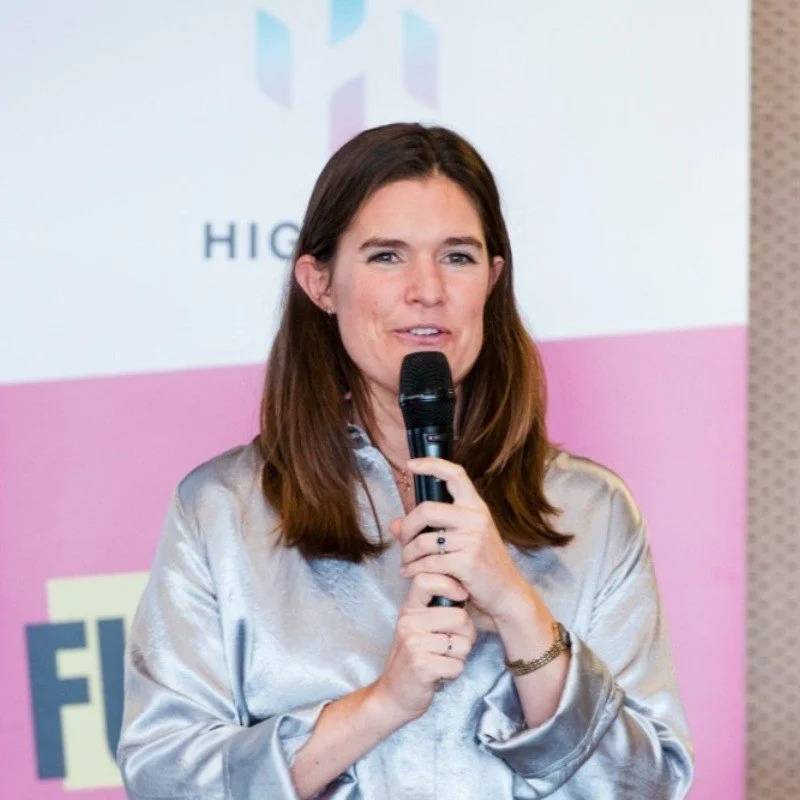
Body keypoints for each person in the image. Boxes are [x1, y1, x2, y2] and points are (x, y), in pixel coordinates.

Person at [117, 123, 694, 799]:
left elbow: (648, 787)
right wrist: (384, 703)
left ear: (492, 280)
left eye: (457, 256)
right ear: (320, 282)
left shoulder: (590, 511)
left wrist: (518, 609)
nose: (427, 289)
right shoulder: (222, 510)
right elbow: (166, 780)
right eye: (387, 256)